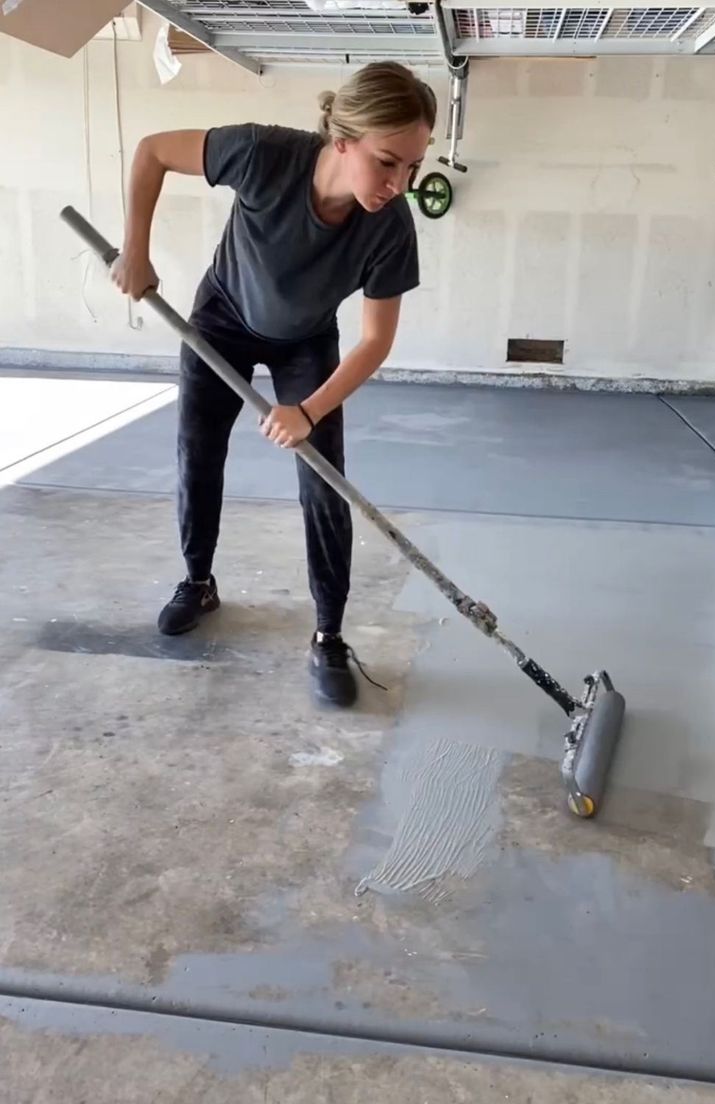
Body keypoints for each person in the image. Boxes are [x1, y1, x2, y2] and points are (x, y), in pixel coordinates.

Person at [111, 61, 436, 708]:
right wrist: (136, 249)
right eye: (388, 162)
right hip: (223, 317)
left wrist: (309, 411)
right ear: (342, 141)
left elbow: (375, 340)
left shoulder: (391, 227)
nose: (399, 184)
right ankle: (197, 581)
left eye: (412, 168)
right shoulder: (263, 154)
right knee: (197, 454)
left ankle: (329, 634)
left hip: (308, 342)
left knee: (324, 482)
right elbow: (151, 153)